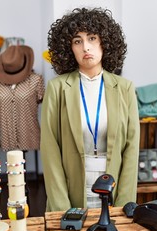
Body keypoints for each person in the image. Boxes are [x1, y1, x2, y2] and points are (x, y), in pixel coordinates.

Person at [41, 7, 140, 211]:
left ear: (105, 42)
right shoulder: (57, 88)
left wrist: (124, 205)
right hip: (70, 192)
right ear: (70, 48)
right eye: (77, 41)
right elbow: (50, 150)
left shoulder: (125, 88)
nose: (86, 47)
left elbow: (132, 150)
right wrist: (63, 208)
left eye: (92, 38)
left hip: (113, 190)